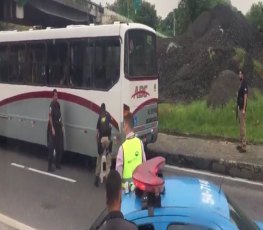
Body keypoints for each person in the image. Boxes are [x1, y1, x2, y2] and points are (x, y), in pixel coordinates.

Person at [116, 112, 146, 186]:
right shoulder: (140, 143)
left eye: (123, 125)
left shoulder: (122, 148)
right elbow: (144, 163)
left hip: (126, 190)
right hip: (139, 186)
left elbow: (118, 173)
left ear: (126, 126)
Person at [94, 103, 112, 187]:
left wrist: (96, 140)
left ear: (101, 109)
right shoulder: (108, 116)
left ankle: (96, 178)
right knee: (107, 160)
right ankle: (106, 178)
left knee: (100, 159)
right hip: (107, 140)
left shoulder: (100, 117)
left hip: (101, 140)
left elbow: (97, 130)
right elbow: (110, 127)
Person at [47, 89, 64, 172]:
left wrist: (62, 125)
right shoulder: (51, 105)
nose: (57, 97)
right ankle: (49, 166)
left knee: (59, 146)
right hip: (52, 127)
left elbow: (60, 116)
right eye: (55, 96)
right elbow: (50, 116)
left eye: (57, 95)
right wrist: (52, 128)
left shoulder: (58, 104)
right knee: (51, 147)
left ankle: (57, 164)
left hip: (58, 126)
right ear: (52, 96)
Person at [236, 70, 248, 153]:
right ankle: (240, 144)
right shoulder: (240, 84)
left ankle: (244, 146)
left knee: (243, 127)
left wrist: (244, 109)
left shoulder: (244, 84)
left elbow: (245, 97)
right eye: (239, 74)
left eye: (240, 74)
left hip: (242, 109)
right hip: (239, 107)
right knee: (240, 127)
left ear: (243, 75)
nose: (239, 75)